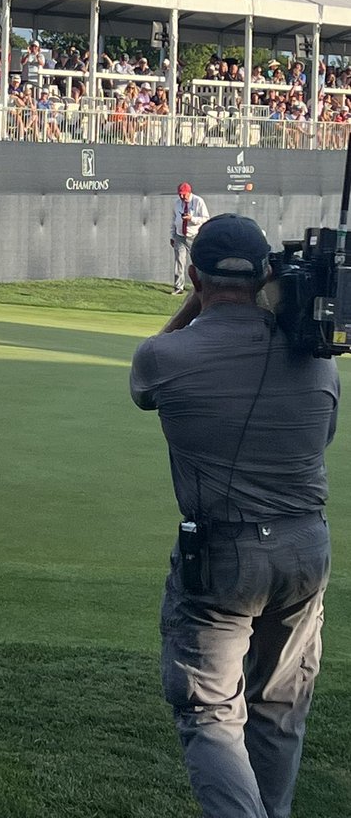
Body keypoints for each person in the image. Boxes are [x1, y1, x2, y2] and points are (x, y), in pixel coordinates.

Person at [130, 214, 339, 818]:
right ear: (267, 273)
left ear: (195, 277)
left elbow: (143, 390)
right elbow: (323, 435)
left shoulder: (164, 356)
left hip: (224, 558)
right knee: (280, 708)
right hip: (307, 549)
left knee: (211, 713)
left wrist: (193, 305)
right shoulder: (317, 358)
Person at [171, 181, 209, 295]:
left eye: (184, 194)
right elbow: (174, 220)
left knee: (197, 262)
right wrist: (172, 235)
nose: (182, 196)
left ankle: (201, 286)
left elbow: (206, 219)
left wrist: (191, 219)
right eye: (180, 194)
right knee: (179, 261)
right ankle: (178, 287)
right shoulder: (177, 203)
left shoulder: (198, 201)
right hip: (180, 236)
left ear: (189, 192)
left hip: (194, 236)